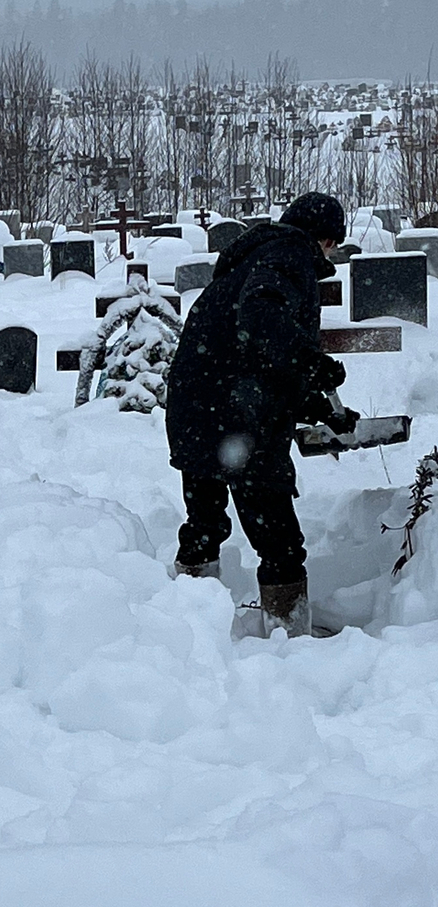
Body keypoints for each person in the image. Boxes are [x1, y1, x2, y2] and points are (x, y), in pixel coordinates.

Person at [165, 192, 359, 636]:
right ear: (326, 239)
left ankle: (183, 627)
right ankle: (288, 633)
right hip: (239, 421)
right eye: (333, 246)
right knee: (279, 542)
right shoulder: (291, 254)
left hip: (198, 408)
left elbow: (257, 353)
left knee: (204, 522)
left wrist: (321, 406)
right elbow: (262, 316)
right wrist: (312, 362)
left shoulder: (250, 258)